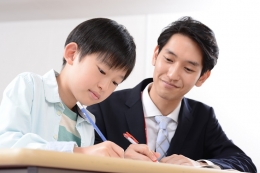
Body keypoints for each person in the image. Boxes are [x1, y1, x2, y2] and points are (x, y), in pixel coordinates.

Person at [87, 16, 257, 172]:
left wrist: (197, 165)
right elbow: (79, 156)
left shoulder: (203, 117)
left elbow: (244, 163)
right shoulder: (104, 105)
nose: (172, 75)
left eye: (188, 69)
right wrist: (121, 160)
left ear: (203, 77)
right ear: (155, 55)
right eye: (168, 60)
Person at [0, 18, 136, 158]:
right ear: (72, 54)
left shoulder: (88, 123)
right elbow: (5, 144)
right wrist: (79, 153)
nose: (104, 87)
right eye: (101, 71)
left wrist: (122, 160)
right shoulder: (29, 86)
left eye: (115, 82)